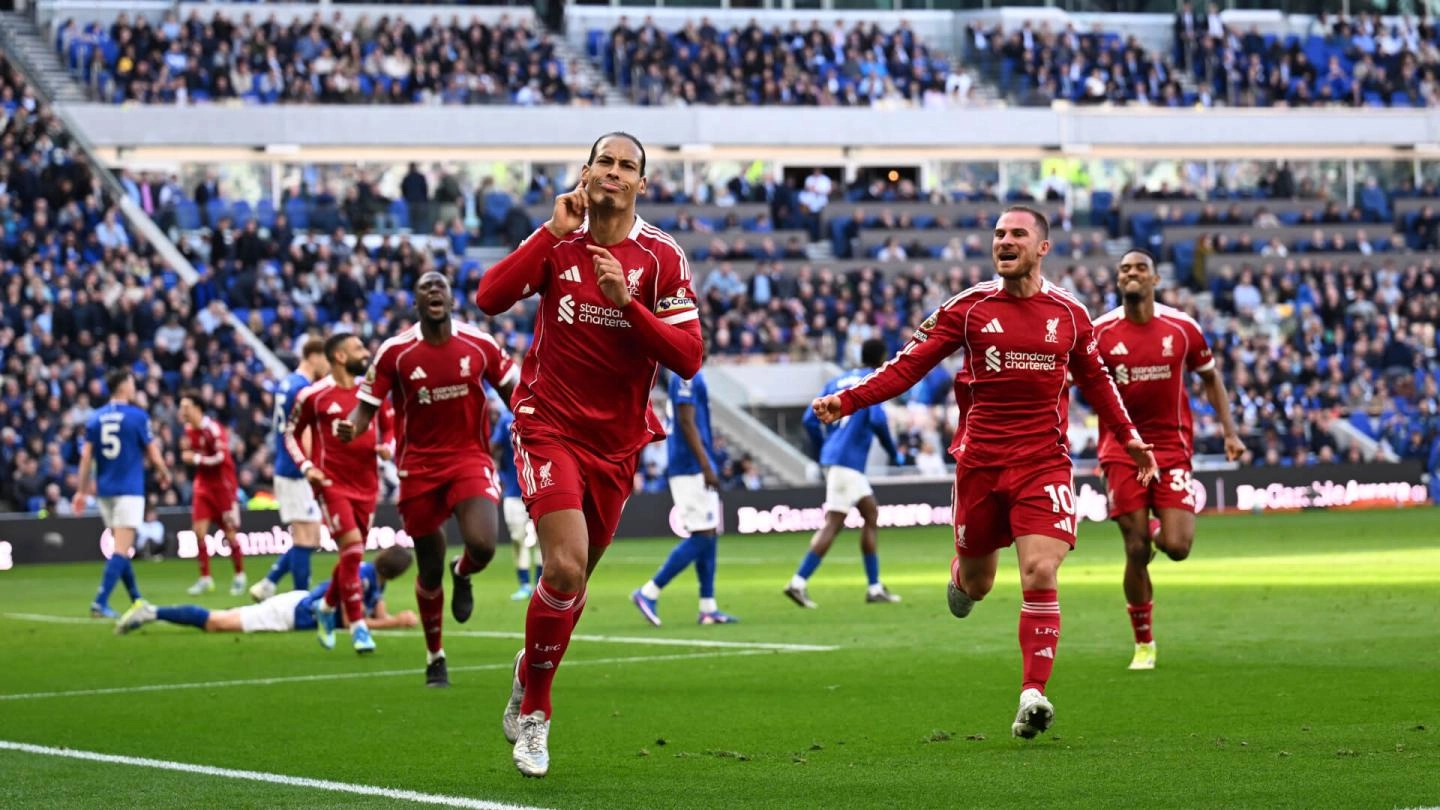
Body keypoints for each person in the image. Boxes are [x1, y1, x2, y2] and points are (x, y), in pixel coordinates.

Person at [811, 206, 1157, 740]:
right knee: (979, 582)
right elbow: (907, 365)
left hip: (1043, 464)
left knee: (1041, 569)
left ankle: (1032, 694)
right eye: (998, 234)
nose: (1004, 241)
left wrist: (1130, 436)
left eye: (1017, 233)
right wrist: (848, 400)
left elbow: (1098, 381)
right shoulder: (969, 308)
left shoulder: (1069, 315)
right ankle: (960, 577)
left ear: (1042, 247)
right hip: (979, 466)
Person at [476, 131, 703, 777]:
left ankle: (529, 668)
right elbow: (490, 298)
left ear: (640, 183)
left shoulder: (660, 256)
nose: (613, 172)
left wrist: (627, 304)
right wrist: (548, 233)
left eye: (626, 166)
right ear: (586, 170)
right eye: (604, 161)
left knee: (573, 582)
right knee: (566, 570)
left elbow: (688, 356)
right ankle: (537, 715)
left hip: (617, 444)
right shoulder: (560, 240)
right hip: (547, 425)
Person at [342, 271, 517, 686]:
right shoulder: (395, 352)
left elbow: (516, 391)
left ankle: (465, 572)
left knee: (483, 545)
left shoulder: (480, 344)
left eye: (441, 286)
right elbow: (366, 405)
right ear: (417, 303)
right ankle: (435, 654)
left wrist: (540, 419)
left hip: (469, 458)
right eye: (425, 288)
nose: (434, 291)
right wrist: (351, 425)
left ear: (452, 300)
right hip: (418, 467)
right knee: (428, 568)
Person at [1093, 249, 1246, 671]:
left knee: (1176, 547)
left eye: (1140, 268)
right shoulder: (1100, 332)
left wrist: (1230, 432)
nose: (1132, 274)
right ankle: (1144, 643)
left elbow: (1211, 377)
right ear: (1118, 280)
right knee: (1137, 547)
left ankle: (1158, 523)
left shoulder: (1182, 328)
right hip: (1122, 449)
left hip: (1171, 448)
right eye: (1125, 269)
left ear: (1155, 280)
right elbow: (1069, 383)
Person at [287, 333, 393, 654]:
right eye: (358, 348)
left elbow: (390, 428)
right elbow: (290, 433)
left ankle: (327, 606)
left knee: (352, 554)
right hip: (331, 483)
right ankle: (358, 627)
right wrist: (307, 466)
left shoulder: (372, 391)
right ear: (340, 357)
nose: (366, 352)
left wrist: (387, 448)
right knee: (353, 549)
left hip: (367, 484)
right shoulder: (313, 396)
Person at [787, 338, 904, 608]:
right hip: (848, 463)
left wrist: (823, 449)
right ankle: (798, 582)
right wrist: (893, 453)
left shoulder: (837, 381)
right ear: (882, 359)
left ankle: (874, 587)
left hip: (836, 459)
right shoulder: (873, 380)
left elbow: (809, 419)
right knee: (836, 522)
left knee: (868, 514)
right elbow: (877, 420)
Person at [631, 365, 738, 627]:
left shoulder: (689, 374)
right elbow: (686, 421)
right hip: (690, 466)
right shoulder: (686, 374)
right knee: (702, 535)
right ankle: (649, 592)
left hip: (693, 465)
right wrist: (705, 465)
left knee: (709, 532)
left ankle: (708, 607)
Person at [115, 546, 416, 635]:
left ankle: (152, 611)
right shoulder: (362, 577)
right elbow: (353, 622)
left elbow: (376, 611)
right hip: (290, 613)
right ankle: (151, 611)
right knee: (217, 623)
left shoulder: (376, 580)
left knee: (221, 620)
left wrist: (390, 617)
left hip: (298, 607)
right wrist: (396, 622)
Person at [72, 369, 172, 618]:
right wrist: (164, 473)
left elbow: (86, 457)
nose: (134, 387)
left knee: (121, 546)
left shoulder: (95, 418)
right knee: (121, 549)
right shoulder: (137, 416)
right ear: (123, 386)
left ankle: (137, 599)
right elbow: (152, 451)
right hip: (129, 489)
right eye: (131, 383)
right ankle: (100, 601)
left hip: (105, 491)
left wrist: (81, 491)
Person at [251, 338, 330, 602]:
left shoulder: (288, 384)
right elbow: (303, 432)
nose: (328, 366)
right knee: (306, 535)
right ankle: (301, 597)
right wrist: (311, 466)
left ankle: (269, 583)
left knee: (311, 534)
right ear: (314, 356)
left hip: (287, 466)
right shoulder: (303, 389)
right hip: (296, 470)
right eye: (326, 360)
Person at [179, 390, 246, 596]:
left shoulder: (214, 429)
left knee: (229, 533)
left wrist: (196, 459)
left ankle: (239, 575)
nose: (183, 411)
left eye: (186, 407)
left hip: (222, 485)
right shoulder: (188, 430)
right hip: (203, 486)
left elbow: (221, 457)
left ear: (197, 409)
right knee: (199, 531)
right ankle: (205, 578)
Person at [492, 400, 542, 601]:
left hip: (539, 490)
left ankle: (539, 584)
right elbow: (493, 447)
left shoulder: (542, 412)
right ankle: (524, 584)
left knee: (542, 541)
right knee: (517, 539)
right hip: (514, 491)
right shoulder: (506, 418)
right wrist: (497, 473)